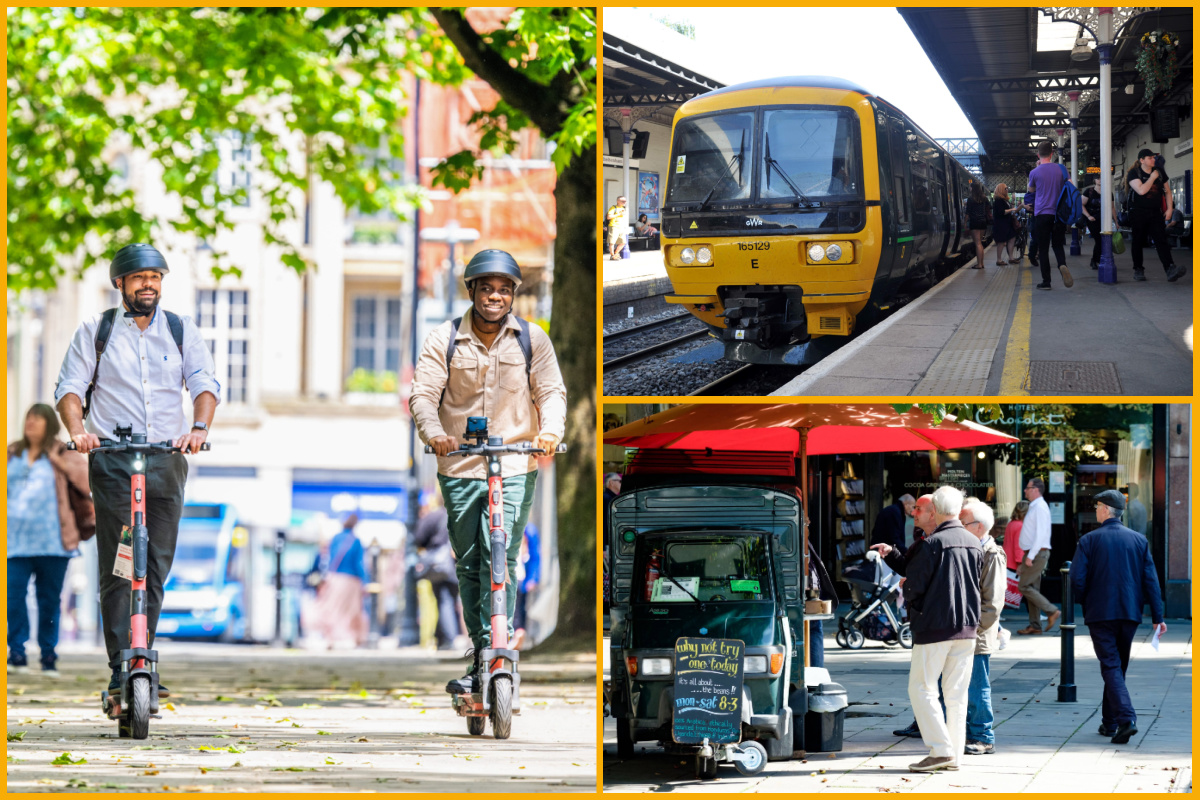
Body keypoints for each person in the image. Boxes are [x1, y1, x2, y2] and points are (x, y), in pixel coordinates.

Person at [54, 243, 219, 698]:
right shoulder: (97, 330)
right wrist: (78, 431)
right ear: (120, 284)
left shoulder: (182, 331)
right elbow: (69, 388)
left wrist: (198, 429)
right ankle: (119, 663)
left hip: (166, 459)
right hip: (112, 460)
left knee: (156, 566)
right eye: (139, 277)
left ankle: (143, 653)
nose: (148, 284)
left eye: (155, 277)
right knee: (121, 567)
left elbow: (205, 384)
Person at [409, 249, 567, 694]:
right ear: (473, 291)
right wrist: (435, 431)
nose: (495, 296)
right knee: (472, 562)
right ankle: (481, 653)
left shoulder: (532, 340)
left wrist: (550, 431)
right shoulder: (444, 339)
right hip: (459, 465)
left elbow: (552, 391)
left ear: (513, 295)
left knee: (505, 557)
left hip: (515, 463)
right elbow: (422, 394)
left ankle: (500, 648)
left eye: (504, 290)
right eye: (487, 288)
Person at [1069, 489, 1166, 745]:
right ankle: (1109, 722)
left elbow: (1076, 580)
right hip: (1130, 614)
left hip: (1101, 614)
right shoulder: (1138, 540)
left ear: (1104, 510)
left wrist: (1087, 603)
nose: (1096, 510)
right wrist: (1158, 616)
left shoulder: (1089, 540)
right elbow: (1151, 581)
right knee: (1116, 667)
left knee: (1111, 666)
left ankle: (1126, 720)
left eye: (1098, 506)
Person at [902, 486, 982, 773]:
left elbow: (914, 586)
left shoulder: (932, 543)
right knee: (956, 695)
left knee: (921, 688)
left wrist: (907, 591)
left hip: (935, 626)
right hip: (967, 626)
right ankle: (953, 755)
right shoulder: (974, 542)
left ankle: (941, 750)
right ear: (958, 510)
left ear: (934, 510)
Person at [7, 405, 90, 678]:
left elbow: (85, 484)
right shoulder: (11, 452)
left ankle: (48, 656)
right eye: (28, 417)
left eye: (38, 419)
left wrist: (61, 463)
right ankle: (16, 652)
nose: (31, 422)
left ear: (49, 424)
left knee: (49, 601)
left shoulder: (63, 451)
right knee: (12, 598)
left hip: (54, 543)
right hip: (13, 543)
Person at [875, 493, 933, 739]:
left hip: (936, 621)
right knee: (924, 682)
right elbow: (909, 568)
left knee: (929, 683)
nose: (914, 513)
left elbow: (921, 580)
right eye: (914, 507)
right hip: (924, 618)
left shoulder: (937, 541)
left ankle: (940, 732)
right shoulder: (923, 538)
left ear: (933, 513)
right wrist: (891, 553)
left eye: (918, 509)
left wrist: (908, 588)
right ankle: (925, 725)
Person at [960, 500, 1005, 756]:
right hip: (964, 631)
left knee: (978, 686)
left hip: (976, 635)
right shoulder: (972, 548)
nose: (959, 527)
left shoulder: (991, 553)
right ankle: (968, 732)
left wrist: (974, 631)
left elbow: (993, 603)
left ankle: (983, 736)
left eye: (963, 523)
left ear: (978, 527)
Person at [306, 515, 369, 648]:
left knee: (333, 609)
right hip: (350, 581)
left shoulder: (335, 538)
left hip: (334, 578)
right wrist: (365, 582)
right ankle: (351, 637)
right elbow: (359, 564)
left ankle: (331, 637)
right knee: (350, 610)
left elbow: (329, 559)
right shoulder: (356, 541)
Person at [1125, 148, 1183, 282]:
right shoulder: (1134, 173)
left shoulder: (1160, 172)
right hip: (1137, 212)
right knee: (1138, 241)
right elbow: (1141, 191)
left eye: (1153, 158)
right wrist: (1152, 177)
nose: (1153, 160)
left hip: (1155, 212)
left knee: (1161, 240)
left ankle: (1170, 269)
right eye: (1150, 158)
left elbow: (1167, 192)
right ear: (1142, 160)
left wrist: (1169, 209)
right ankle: (1138, 269)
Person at [412, 498, 461, 650]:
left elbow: (418, 537)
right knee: (453, 601)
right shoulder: (460, 516)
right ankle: (443, 637)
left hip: (439, 564)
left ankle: (449, 638)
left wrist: (430, 546)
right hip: (456, 563)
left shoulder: (434, 516)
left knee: (443, 600)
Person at [1027, 141, 1073, 290]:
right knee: (1058, 245)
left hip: (1041, 214)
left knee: (1044, 248)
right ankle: (1062, 265)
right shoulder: (1061, 169)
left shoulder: (1035, 172)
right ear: (1052, 153)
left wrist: (1037, 168)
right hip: (1058, 214)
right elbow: (1071, 186)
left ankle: (1046, 282)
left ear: (1038, 154)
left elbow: (1031, 190)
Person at [1016, 477, 1059, 634]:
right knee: (1032, 587)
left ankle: (1051, 611)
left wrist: (1030, 556)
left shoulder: (1039, 507)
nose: (1025, 490)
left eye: (1028, 488)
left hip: (1037, 553)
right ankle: (1035, 625)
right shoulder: (1036, 507)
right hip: (1034, 552)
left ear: (1035, 490)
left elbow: (1040, 534)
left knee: (1024, 586)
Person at [806, 541, 839, 669]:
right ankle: (816, 671)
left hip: (810, 590)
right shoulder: (800, 533)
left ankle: (816, 671)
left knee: (814, 629)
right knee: (814, 630)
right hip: (810, 589)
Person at [512, 522, 541, 650]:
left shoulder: (529, 530)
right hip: (510, 576)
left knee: (519, 609)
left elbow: (535, 557)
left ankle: (518, 635)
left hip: (520, 577)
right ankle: (514, 636)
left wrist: (533, 578)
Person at [1081, 177, 1118, 271]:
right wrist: (1088, 216)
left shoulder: (1109, 193)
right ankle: (1095, 260)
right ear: (1094, 180)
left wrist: (1116, 221)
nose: (1100, 180)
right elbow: (1081, 204)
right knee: (1099, 240)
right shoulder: (1088, 191)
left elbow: (1112, 207)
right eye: (1098, 178)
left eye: (1102, 178)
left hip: (1105, 219)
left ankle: (1095, 260)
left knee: (1103, 241)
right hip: (1093, 219)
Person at [964, 182, 989, 268]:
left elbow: (967, 213)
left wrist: (964, 223)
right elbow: (989, 208)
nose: (969, 189)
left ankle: (979, 264)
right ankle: (981, 263)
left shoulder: (970, 199)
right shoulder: (984, 198)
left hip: (975, 222)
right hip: (983, 222)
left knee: (977, 243)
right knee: (980, 243)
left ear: (973, 188)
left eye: (970, 187)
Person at [991, 183, 1016, 266]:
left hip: (1007, 223)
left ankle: (1011, 258)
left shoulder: (1005, 200)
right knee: (1001, 242)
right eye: (1005, 188)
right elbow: (1002, 212)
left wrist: (1013, 200)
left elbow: (1009, 209)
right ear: (1001, 190)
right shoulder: (998, 200)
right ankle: (999, 260)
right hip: (1001, 224)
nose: (1007, 190)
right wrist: (1012, 209)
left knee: (1012, 238)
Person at [1002, 500, 1028, 572]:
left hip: (1007, 561)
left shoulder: (1011, 523)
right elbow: (1018, 546)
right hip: (1014, 564)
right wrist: (1020, 564)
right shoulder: (1021, 526)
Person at [607, 196, 629, 260]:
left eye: (625, 201)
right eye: (623, 201)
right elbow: (608, 217)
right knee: (612, 242)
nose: (624, 202)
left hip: (621, 227)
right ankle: (612, 255)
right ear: (618, 201)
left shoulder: (623, 208)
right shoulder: (613, 208)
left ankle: (616, 253)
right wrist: (618, 214)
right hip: (614, 226)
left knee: (623, 242)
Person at [1022, 185, 1038, 268]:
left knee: (1037, 238)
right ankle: (1032, 255)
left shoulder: (1029, 195)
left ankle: (1033, 255)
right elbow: (1026, 205)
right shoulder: (1031, 195)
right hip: (1037, 217)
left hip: (1037, 216)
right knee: (1036, 238)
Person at [603, 472, 622, 537]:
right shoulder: (606, 499)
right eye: (620, 481)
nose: (621, 484)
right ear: (611, 482)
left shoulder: (612, 499)